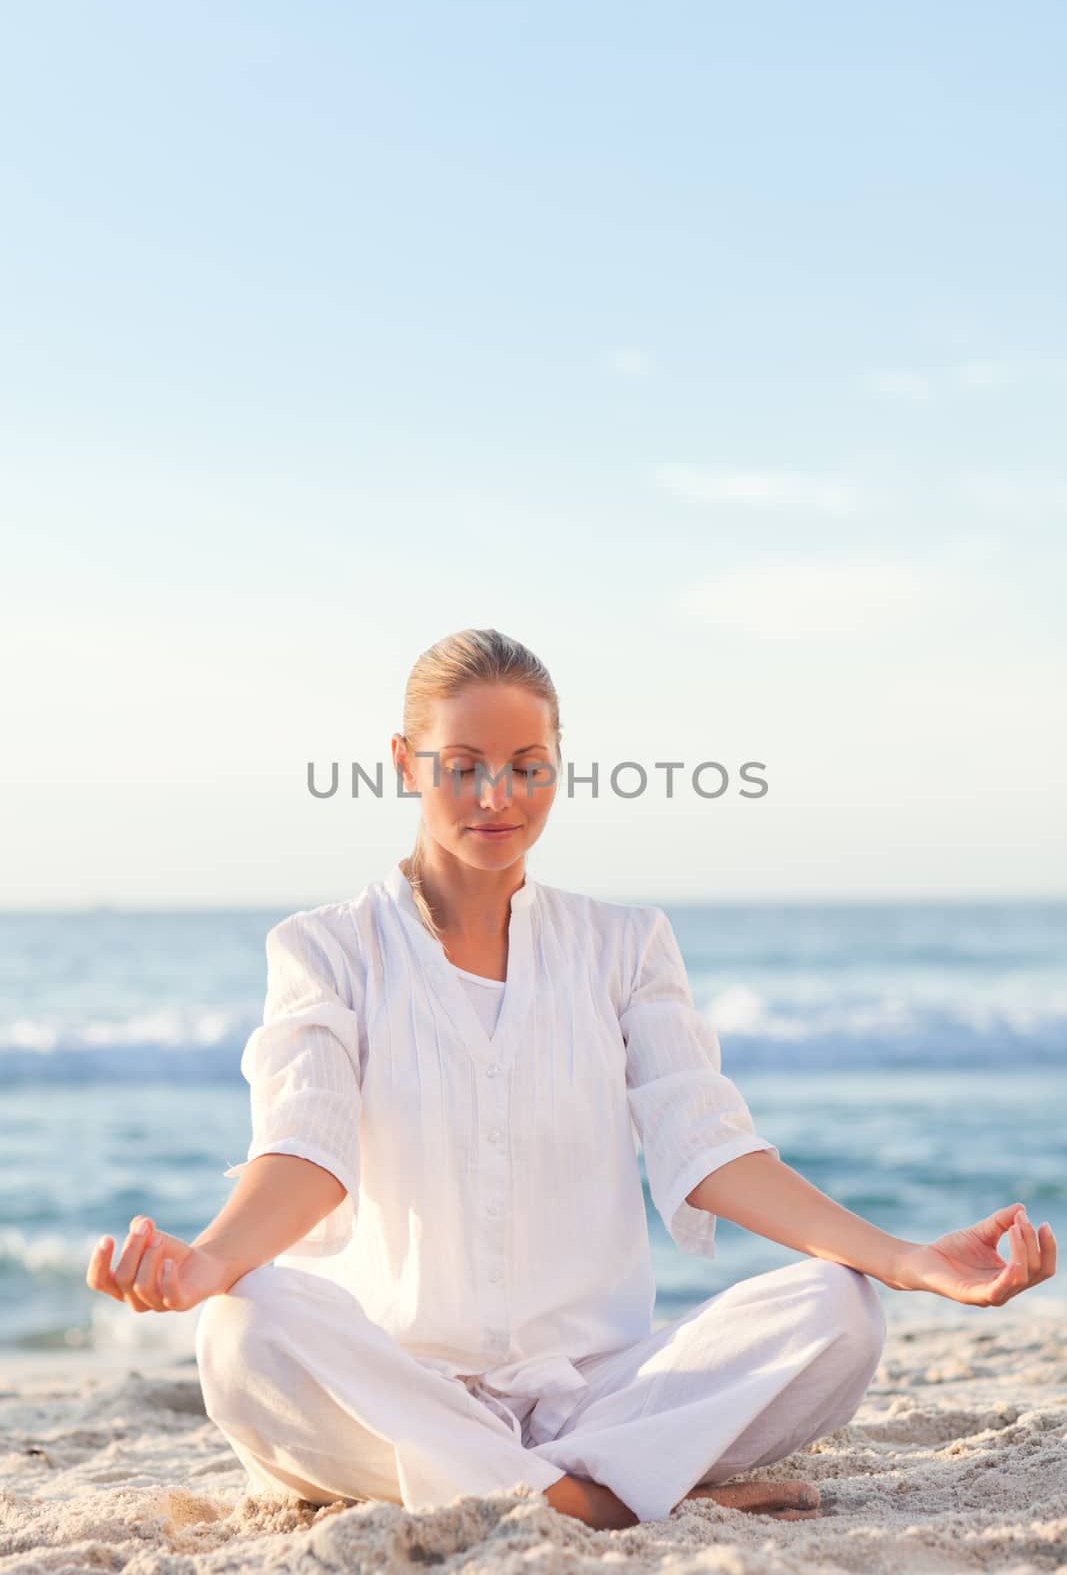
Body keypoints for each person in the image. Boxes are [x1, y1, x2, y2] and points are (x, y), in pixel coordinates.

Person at [86, 627, 1057, 1531]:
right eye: (461, 767)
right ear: (402, 762)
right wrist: (208, 1260)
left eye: (526, 767)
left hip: (603, 1387)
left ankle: (537, 1479)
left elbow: (709, 1146)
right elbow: (307, 1144)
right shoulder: (326, 948)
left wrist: (905, 1260)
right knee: (243, 1327)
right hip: (397, 1384)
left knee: (837, 1310)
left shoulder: (623, 946)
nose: (495, 796)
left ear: (558, 765)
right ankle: (603, 1497)